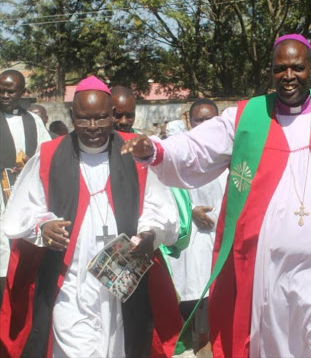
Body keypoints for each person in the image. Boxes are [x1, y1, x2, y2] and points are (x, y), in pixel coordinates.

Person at [122, 34, 311, 358]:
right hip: (269, 274)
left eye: (297, 67)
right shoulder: (248, 117)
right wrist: (154, 148)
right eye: (280, 69)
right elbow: (198, 146)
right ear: (272, 71)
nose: (289, 76)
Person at [0, 76, 183, 357]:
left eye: (101, 118)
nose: (93, 127)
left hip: (123, 280)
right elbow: (22, 211)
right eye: (84, 119)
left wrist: (149, 234)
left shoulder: (135, 149)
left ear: (112, 115)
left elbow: (158, 209)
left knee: (120, 346)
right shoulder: (50, 154)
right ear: (73, 116)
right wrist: (43, 225)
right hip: (71, 279)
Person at [169, 99, 228, 355]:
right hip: (191, 247)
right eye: (198, 120)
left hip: (221, 242)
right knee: (193, 308)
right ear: (188, 122)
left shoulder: (232, 154)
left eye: (210, 120)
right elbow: (164, 194)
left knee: (220, 308)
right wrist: (190, 210)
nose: (204, 125)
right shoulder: (179, 155)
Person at [0, 70, 51, 304]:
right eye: (1, 90)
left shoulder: (34, 121)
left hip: (24, 198)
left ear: (22, 92)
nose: (5, 95)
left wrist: (29, 166)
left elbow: (47, 156)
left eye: (11, 91)